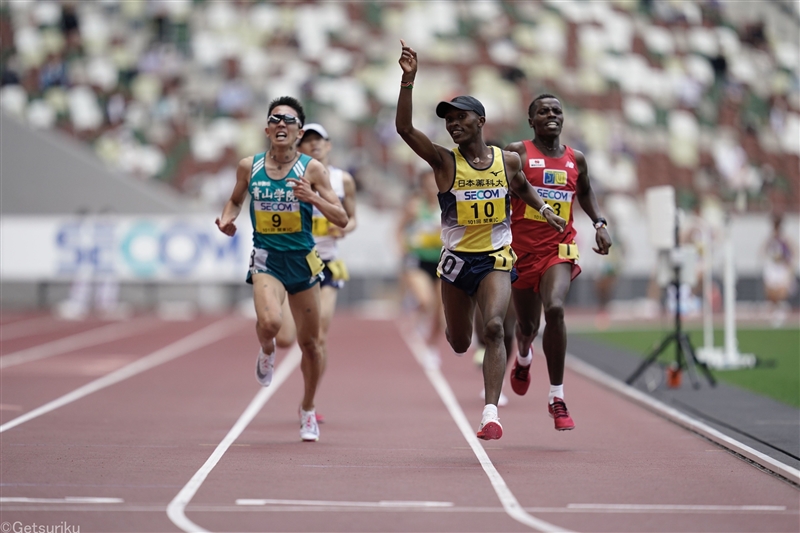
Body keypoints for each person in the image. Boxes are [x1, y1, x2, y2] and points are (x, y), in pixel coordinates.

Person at [396, 40, 565, 440]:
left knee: (493, 328)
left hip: (495, 259)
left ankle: (491, 414)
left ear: (480, 121)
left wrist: (543, 210)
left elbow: (522, 187)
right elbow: (404, 129)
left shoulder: (506, 161)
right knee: (459, 342)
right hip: (456, 263)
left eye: (460, 118)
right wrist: (408, 81)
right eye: (448, 120)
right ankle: (469, 322)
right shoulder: (442, 161)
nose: (453, 124)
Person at [215, 97, 348, 442]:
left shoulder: (312, 169)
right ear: (267, 129)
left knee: (312, 344)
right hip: (267, 258)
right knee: (272, 324)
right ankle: (267, 349)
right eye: (274, 119)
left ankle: (307, 409)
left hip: (303, 260)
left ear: (297, 131)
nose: (281, 125)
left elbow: (342, 217)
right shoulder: (250, 166)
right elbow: (234, 200)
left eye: (288, 121)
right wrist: (228, 219)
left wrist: (313, 198)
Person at [505, 94, 612, 431]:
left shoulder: (575, 159)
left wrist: (600, 224)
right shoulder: (517, 153)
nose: (551, 115)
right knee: (526, 327)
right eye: (543, 111)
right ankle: (523, 357)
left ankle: (556, 396)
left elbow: (585, 192)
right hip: (521, 251)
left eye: (557, 111)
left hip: (559, 248)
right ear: (531, 120)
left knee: (554, 308)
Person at [275, 122, 359, 422]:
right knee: (285, 338)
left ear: (329, 144)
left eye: (318, 140)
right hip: (294, 261)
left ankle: (308, 400)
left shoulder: (343, 180)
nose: (314, 145)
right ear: (299, 147)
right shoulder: (290, 177)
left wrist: (342, 229)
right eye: (307, 141)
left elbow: (352, 219)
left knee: (319, 335)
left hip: (326, 264)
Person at [397, 169, 445, 369]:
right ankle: (420, 311)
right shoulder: (415, 206)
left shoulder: (449, 205)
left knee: (443, 314)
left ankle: (432, 348)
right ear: (422, 186)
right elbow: (398, 230)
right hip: (419, 259)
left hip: (443, 261)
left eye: (435, 182)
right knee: (427, 300)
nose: (432, 186)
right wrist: (403, 249)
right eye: (428, 183)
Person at [762, 214, 796, 327]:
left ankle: (780, 311)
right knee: (771, 291)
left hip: (781, 268)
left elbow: (793, 252)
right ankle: (773, 310)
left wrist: (789, 265)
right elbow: (764, 250)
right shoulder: (771, 239)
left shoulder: (784, 239)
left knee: (780, 291)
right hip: (773, 268)